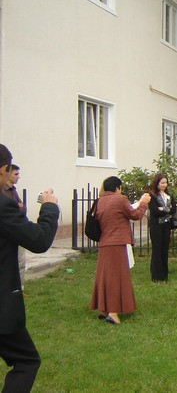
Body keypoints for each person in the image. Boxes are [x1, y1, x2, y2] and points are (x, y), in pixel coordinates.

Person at [0, 144, 59, 392]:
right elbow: (39, 240)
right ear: (4, 169)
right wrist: (49, 207)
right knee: (26, 360)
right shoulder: (3, 206)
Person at [90, 176, 150, 324]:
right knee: (117, 278)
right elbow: (135, 215)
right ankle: (113, 312)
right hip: (117, 243)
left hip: (104, 243)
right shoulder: (120, 199)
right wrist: (144, 203)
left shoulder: (99, 201)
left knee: (104, 276)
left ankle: (103, 309)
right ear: (118, 188)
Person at [0, 164, 27, 287]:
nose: (18, 177)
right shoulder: (3, 191)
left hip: (18, 229)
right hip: (9, 232)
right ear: (7, 173)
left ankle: (19, 288)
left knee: (21, 261)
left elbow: (22, 208)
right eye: (16, 174)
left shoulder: (13, 191)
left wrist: (19, 208)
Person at [148, 173, 175, 282]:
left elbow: (174, 209)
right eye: (162, 183)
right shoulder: (152, 195)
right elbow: (155, 210)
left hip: (166, 226)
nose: (164, 185)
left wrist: (163, 209)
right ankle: (156, 275)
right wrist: (166, 209)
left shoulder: (169, 195)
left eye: (166, 183)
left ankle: (164, 274)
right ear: (157, 183)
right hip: (156, 226)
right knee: (157, 250)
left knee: (164, 249)